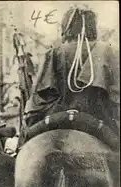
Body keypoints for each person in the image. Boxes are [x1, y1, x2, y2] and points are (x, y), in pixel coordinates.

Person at [23, 6, 119, 139]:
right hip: (99, 117)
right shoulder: (108, 52)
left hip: (55, 117)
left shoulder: (53, 53)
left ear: (66, 27)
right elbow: (115, 95)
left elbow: (38, 99)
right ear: (92, 26)